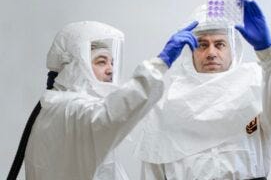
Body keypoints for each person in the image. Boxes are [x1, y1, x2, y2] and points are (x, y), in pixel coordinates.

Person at [7, 21, 199, 180]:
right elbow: (112, 114)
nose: (110, 70)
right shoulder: (70, 110)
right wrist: (160, 64)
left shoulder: (55, 106)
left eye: (112, 62)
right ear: (74, 64)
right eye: (100, 61)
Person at [136, 0, 271, 180]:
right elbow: (152, 171)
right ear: (190, 51)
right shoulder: (166, 106)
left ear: (232, 49)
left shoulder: (254, 86)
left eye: (220, 44)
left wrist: (267, 51)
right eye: (202, 45)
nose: (211, 53)